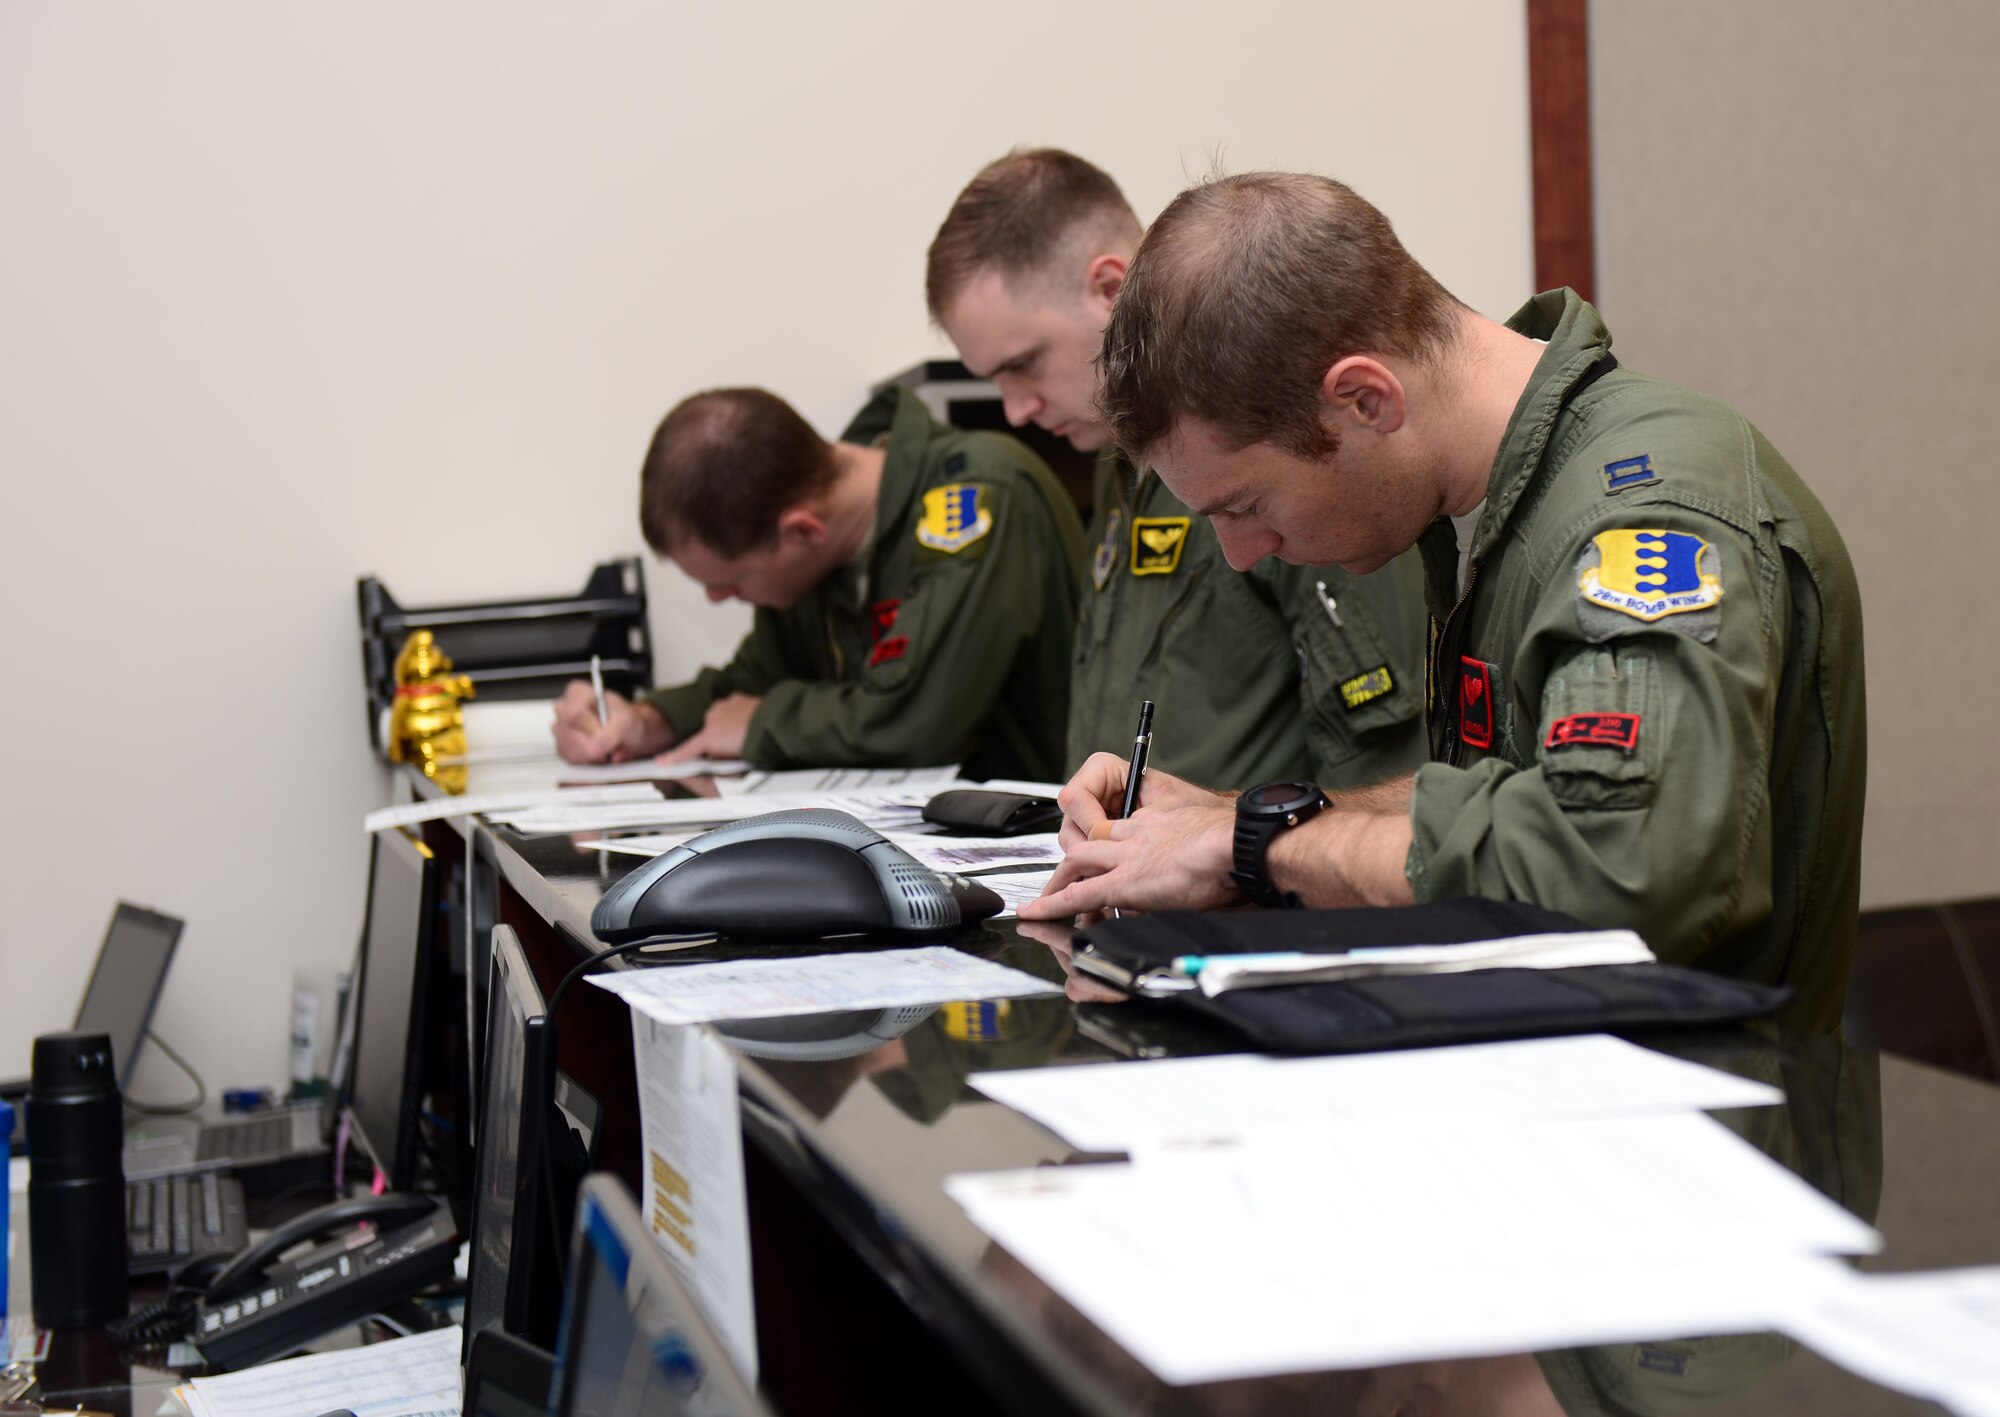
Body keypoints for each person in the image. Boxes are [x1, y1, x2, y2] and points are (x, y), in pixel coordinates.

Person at [1022, 172, 1866, 1034]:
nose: (1241, 551)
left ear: (1365, 399)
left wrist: (1257, 848)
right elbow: (1511, 796)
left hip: (1706, 1134)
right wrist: (1232, 818)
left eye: (1244, 506)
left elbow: (1617, 858)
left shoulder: (1646, 511)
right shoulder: (1490, 509)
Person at [927, 149, 1429, 791]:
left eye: (1022, 364)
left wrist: (1244, 857)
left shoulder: (1272, 437)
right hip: (1140, 879)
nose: (1016, 410)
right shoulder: (1117, 462)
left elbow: (1384, 775)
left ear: (1110, 291)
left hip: (1261, 880)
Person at [552, 385, 1086, 781]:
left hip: (1031, 856)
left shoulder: (976, 499)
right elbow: (754, 679)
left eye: (732, 583)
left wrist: (765, 722)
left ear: (802, 530)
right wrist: (649, 719)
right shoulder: (811, 557)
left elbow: (916, 722)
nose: (717, 599)